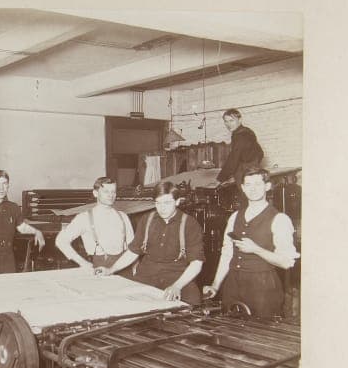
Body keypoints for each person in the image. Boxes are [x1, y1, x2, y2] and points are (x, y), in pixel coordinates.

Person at [203, 166, 299, 318]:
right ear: (242, 188)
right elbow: (227, 254)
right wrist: (215, 285)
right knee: (229, 329)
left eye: (257, 184)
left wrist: (256, 249)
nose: (252, 189)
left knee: (260, 331)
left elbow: (287, 262)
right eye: (248, 184)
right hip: (232, 287)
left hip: (263, 289)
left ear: (267, 186)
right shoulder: (234, 217)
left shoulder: (280, 219)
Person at [101, 181, 205, 303]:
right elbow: (133, 252)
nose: (162, 208)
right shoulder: (147, 220)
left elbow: (196, 263)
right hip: (146, 276)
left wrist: (177, 286)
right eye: (158, 203)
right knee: (122, 302)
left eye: (167, 203)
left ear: (177, 202)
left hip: (177, 276)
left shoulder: (190, 224)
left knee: (193, 301)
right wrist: (111, 269)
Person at [55, 176, 134, 273]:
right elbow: (61, 241)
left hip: (123, 268)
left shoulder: (123, 216)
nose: (111, 195)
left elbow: (133, 247)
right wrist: (82, 263)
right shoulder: (84, 218)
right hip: (98, 269)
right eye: (106, 191)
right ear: (95, 193)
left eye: (113, 191)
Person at [216, 108, 264, 184]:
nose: (228, 124)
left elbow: (233, 158)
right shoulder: (246, 132)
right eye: (226, 121)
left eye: (231, 120)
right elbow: (260, 152)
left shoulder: (241, 135)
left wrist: (220, 179)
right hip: (250, 172)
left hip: (246, 174)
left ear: (240, 120)